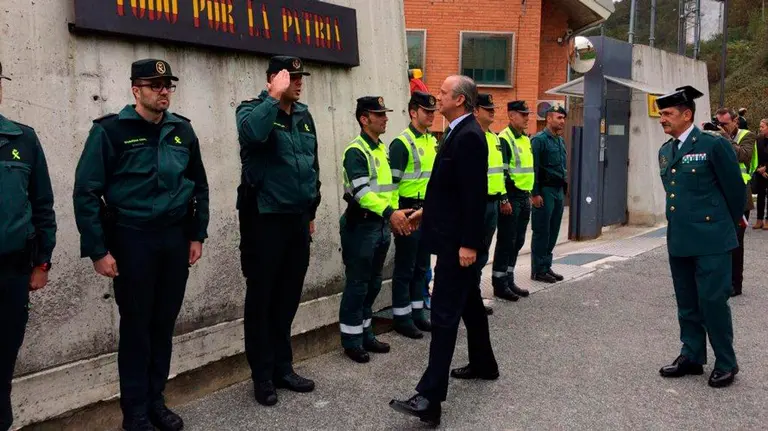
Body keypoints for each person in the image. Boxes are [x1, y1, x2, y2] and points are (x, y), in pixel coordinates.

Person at [73, 59, 209, 431]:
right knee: (136, 327)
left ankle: (156, 401)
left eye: (168, 85)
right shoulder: (111, 131)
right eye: (155, 85)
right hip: (132, 239)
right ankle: (134, 412)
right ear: (136, 90)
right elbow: (86, 192)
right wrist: (99, 250)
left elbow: (199, 185)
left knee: (163, 325)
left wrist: (197, 234)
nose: (163, 91)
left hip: (174, 239)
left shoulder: (182, 130)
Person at [390, 75, 497, 427]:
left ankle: (430, 399)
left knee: (445, 316)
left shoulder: (468, 137)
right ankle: (484, 364)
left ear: (461, 101)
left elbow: (473, 195)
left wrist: (468, 243)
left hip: (458, 244)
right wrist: (425, 212)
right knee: (468, 304)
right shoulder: (456, 131)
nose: (437, 97)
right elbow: (447, 190)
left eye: (443, 93)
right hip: (451, 235)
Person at [235, 55, 321, 406]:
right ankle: (263, 375)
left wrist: (311, 208)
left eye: (301, 77)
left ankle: (283, 367)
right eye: (293, 77)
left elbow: (312, 163)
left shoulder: (303, 115)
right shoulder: (251, 109)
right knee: (262, 298)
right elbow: (253, 136)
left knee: (287, 296)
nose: (299, 82)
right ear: (274, 79)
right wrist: (273, 97)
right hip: (264, 217)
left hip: (297, 219)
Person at [655, 86, 743, 388]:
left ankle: (726, 362)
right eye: (661, 114)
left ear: (687, 114)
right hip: (680, 239)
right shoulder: (665, 151)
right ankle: (692, 354)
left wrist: (725, 228)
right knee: (687, 301)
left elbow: (735, 191)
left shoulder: (712, 145)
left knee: (713, 301)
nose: (662, 119)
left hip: (712, 239)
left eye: (667, 113)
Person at [0, 61, 57, 431]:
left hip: (10, 273)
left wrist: (42, 263)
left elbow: (42, 206)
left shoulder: (23, 138)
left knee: (2, 364)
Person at [339, 96, 413, 363]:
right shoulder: (356, 150)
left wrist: (395, 214)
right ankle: (351, 340)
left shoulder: (381, 149)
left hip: (380, 225)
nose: (385, 118)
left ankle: (366, 333)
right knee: (357, 284)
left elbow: (389, 189)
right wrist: (390, 213)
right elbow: (361, 192)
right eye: (379, 114)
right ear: (364, 119)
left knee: (372, 283)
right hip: (361, 226)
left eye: (385, 113)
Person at [389, 91, 437, 339]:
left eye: (432, 112)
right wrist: (396, 215)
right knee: (405, 267)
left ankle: (418, 313)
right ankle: (402, 317)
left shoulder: (431, 140)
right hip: (408, 209)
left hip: (426, 210)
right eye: (426, 111)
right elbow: (391, 185)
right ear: (412, 112)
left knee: (421, 266)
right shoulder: (401, 143)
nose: (431, 115)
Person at [473, 93, 513, 304]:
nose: (492, 111)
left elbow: (498, 174)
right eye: (486, 108)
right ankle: (470, 298)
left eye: (493, 108)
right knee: (472, 253)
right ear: (475, 111)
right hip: (476, 204)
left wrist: (503, 198)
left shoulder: (494, 138)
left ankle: (474, 295)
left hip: (493, 203)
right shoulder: (471, 136)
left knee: (482, 254)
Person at [492, 100, 534, 300]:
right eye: (522, 114)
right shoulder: (504, 139)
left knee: (518, 241)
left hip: (524, 196)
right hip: (511, 196)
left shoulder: (525, 139)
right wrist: (504, 199)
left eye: (527, 114)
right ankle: (499, 283)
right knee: (506, 241)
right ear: (511, 116)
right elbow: (502, 173)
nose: (527, 118)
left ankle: (509, 278)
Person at [714, 107, 756, 297]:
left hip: (740, 199)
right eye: (718, 123)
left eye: (724, 123)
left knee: (736, 242)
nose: (720, 127)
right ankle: (719, 280)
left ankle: (735, 284)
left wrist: (725, 138)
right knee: (718, 242)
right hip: (719, 198)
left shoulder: (747, 136)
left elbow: (744, 156)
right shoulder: (715, 136)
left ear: (735, 122)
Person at [530, 105, 568, 283]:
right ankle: (538, 270)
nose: (562, 121)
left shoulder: (559, 140)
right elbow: (534, 168)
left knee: (553, 230)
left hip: (558, 190)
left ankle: (546, 266)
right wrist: (535, 193)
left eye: (563, 118)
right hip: (544, 190)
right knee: (542, 231)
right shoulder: (539, 140)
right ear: (549, 119)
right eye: (559, 117)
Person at [752, 119, 768, 230]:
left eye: (762, 127)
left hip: (767, 170)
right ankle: (759, 219)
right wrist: (759, 169)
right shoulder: (758, 139)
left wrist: (766, 168)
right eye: (760, 126)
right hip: (759, 171)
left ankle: (767, 220)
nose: (760, 128)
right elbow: (754, 155)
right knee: (760, 196)